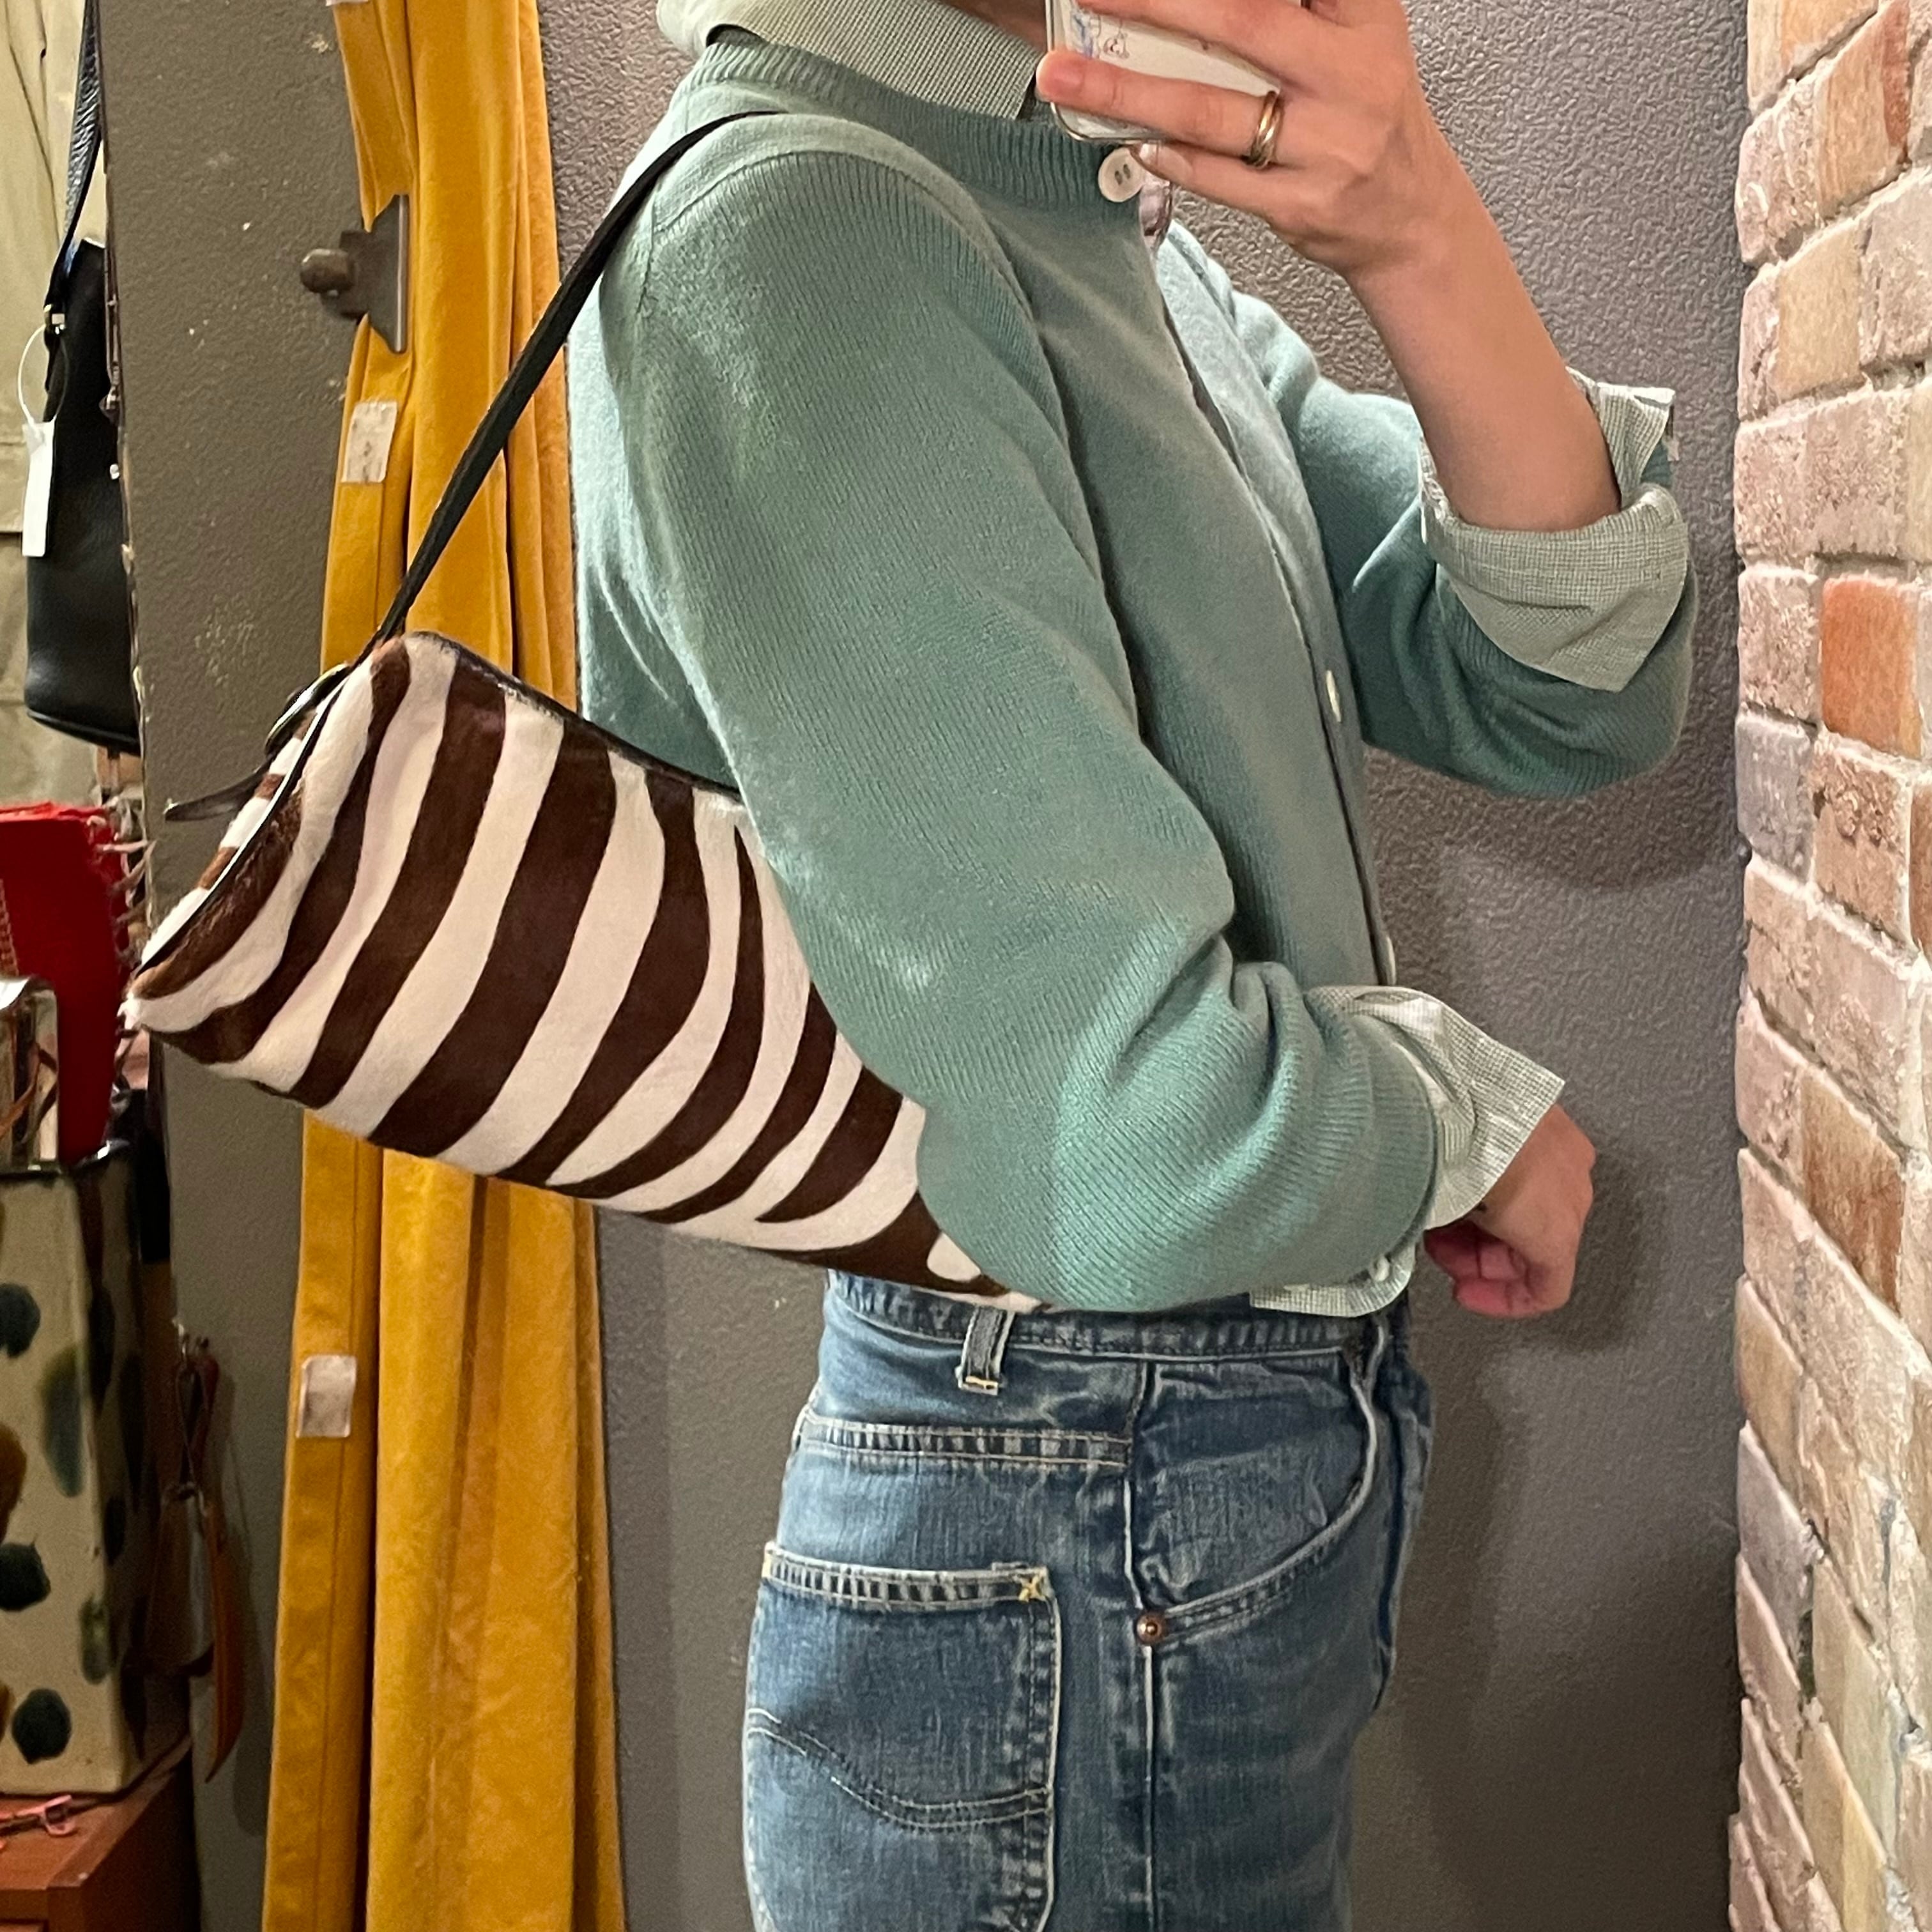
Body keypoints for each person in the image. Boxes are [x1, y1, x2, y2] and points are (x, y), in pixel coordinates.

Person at [568, 0, 1695, 1919]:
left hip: (1136, 1490)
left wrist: (1420, 225)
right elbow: (1113, 1123)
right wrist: (1459, 1117)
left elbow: (1563, 686)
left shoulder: (1074, 208)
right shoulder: (805, 223)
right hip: (1074, 1485)